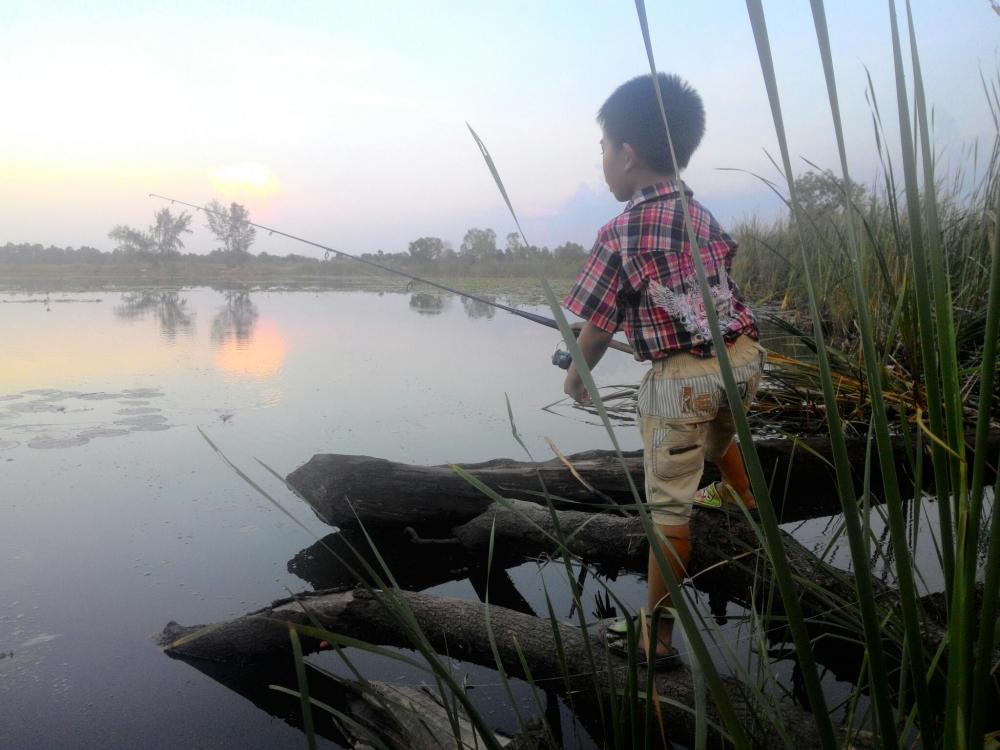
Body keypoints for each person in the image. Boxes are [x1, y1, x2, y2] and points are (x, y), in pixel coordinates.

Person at [561, 72, 765, 669]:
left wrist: (576, 378)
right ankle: (746, 499)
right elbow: (713, 296)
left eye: (602, 148)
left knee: (669, 505)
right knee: (721, 430)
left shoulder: (619, 232)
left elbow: (597, 329)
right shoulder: (701, 215)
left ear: (627, 152)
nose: (601, 161)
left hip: (681, 385)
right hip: (747, 359)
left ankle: (659, 634)